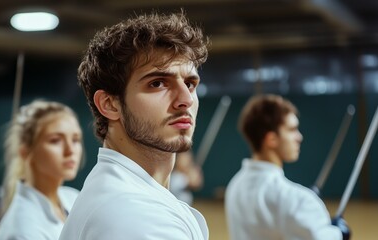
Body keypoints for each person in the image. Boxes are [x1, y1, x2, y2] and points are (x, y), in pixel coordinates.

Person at [59, 11, 209, 240]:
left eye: (190, 83)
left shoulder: (127, 195)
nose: (186, 99)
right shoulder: (134, 216)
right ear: (109, 104)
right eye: (158, 83)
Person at [224, 94, 350, 240]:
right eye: (292, 130)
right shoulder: (296, 199)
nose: (299, 137)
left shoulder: (235, 185)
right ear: (271, 139)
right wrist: (339, 232)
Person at [0, 100, 84, 240]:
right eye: (55, 140)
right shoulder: (22, 230)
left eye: (75, 139)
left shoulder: (73, 198)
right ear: (25, 151)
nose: (70, 150)